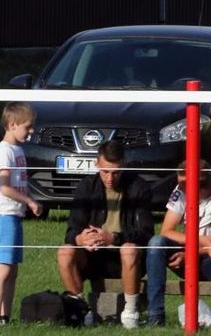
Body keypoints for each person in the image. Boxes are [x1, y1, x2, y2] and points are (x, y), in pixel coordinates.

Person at [57, 138, 155, 329]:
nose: (110, 178)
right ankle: (81, 308)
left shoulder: (139, 187)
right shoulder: (86, 187)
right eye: (105, 172)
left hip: (126, 259)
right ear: (96, 164)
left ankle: (131, 312)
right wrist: (81, 238)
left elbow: (146, 233)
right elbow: (71, 232)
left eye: (116, 173)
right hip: (93, 257)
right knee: (64, 252)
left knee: (128, 249)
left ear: (124, 166)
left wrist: (114, 238)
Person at [146, 160, 211, 327]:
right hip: (188, 255)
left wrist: (191, 252)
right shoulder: (182, 191)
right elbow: (166, 230)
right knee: (156, 243)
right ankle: (155, 315)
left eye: (183, 185)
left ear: (198, 188)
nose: (178, 188)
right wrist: (200, 240)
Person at [0, 102, 42, 326]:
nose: (31, 131)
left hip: (14, 215)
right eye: (28, 127)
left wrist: (28, 201)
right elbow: (5, 187)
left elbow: (20, 184)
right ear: (12, 124)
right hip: (2, 215)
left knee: (13, 270)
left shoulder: (18, 150)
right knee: (3, 269)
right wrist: (29, 201)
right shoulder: (3, 152)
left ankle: (5, 316)